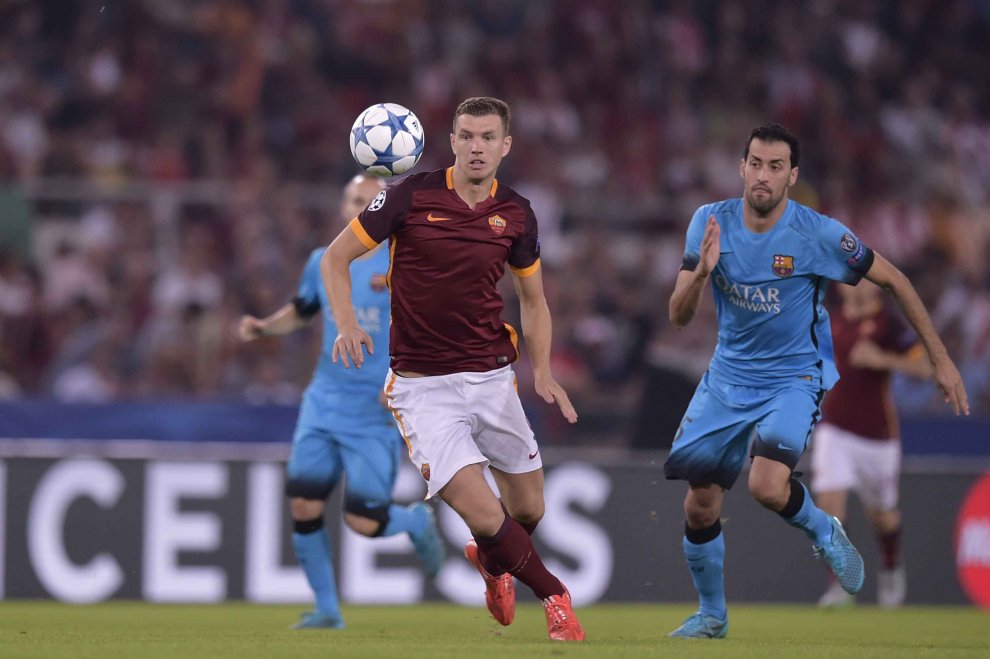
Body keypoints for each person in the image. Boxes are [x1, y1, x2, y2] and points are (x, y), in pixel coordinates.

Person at [664, 123, 968, 639]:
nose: (763, 175)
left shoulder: (818, 234)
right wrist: (700, 274)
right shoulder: (708, 222)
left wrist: (940, 360)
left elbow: (895, 280)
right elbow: (678, 316)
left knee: (765, 485)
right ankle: (712, 616)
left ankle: (823, 528)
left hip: (794, 376)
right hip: (728, 377)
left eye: (775, 166)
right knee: (699, 503)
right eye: (755, 164)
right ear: (741, 168)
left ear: (792, 175)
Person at [322, 97, 585, 642]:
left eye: (487, 137)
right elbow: (335, 257)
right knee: (488, 517)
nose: (476, 147)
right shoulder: (409, 196)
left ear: (505, 145)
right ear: (453, 142)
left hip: (492, 378)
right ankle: (556, 597)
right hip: (423, 390)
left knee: (527, 510)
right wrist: (347, 323)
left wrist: (542, 372)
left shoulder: (516, 213)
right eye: (466, 136)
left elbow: (533, 300)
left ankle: (491, 563)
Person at [239, 174, 445, 630]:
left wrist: (402, 379)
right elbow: (303, 311)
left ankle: (415, 522)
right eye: (353, 199)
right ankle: (328, 610)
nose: (359, 207)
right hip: (324, 400)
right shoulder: (324, 260)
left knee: (363, 520)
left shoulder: (404, 261)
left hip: (374, 410)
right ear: (342, 205)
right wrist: (265, 327)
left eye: (369, 201)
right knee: (303, 504)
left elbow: (428, 329)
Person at [813, 280, 930, 609]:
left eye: (862, 278)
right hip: (835, 429)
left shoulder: (889, 324)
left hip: (877, 436)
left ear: (875, 286)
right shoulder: (831, 320)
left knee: (882, 515)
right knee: (829, 505)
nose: (854, 284)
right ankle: (839, 583)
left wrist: (882, 359)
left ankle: (891, 567)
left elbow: (923, 367)